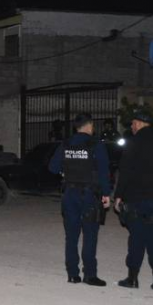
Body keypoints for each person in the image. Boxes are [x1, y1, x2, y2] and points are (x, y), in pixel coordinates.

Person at [114, 110, 153, 290]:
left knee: (136, 239)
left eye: (133, 123)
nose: (132, 126)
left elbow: (125, 172)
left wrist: (118, 196)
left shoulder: (133, 143)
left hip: (135, 200)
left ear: (141, 123)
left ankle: (132, 279)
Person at [49, 114, 111, 286]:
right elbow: (104, 171)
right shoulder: (96, 144)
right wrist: (106, 194)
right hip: (90, 195)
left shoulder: (66, 144)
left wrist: (66, 171)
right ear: (89, 125)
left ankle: (72, 274)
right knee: (90, 235)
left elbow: (52, 167)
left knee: (71, 236)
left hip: (70, 194)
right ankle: (89, 275)